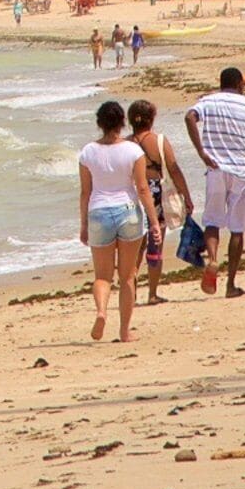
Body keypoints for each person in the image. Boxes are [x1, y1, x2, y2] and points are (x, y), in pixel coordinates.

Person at [186, 66, 245, 297]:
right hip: (241, 171)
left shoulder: (208, 101)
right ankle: (230, 285)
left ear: (221, 83)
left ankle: (212, 260)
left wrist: (202, 152)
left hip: (215, 168)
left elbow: (189, 117)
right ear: (240, 84)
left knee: (212, 221)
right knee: (237, 229)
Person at [77, 101, 150, 343]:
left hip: (98, 211)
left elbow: (85, 192)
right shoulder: (133, 151)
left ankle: (101, 312)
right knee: (128, 276)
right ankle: (124, 331)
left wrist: (84, 225)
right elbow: (142, 188)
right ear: (122, 122)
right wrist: (154, 221)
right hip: (128, 211)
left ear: (99, 123)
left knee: (102, 276)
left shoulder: (88, 152)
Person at [127, 98, 192, 304]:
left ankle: (131, 292)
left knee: (135, 246)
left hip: (133, 194)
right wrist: (186, 196)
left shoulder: (125, 143)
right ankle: (152, 293)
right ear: (151, 119)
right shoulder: (160, 141)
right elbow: (173, 168)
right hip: (156, 194)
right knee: (156, 244)